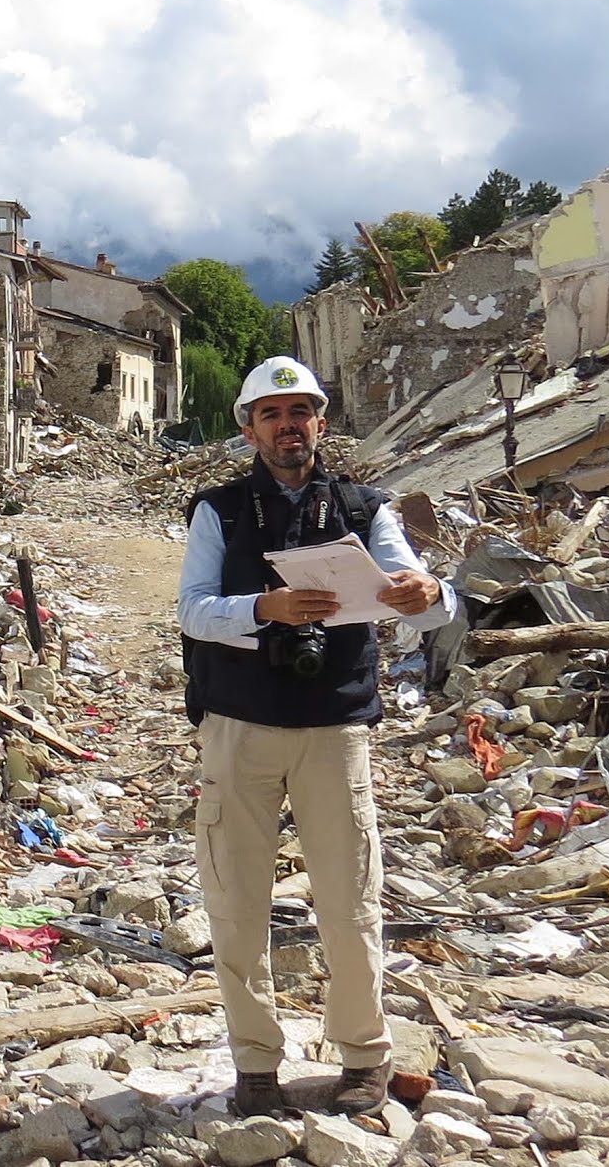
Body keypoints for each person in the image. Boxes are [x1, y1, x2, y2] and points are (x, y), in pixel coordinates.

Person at [176, 357, 457, 1119]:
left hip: (335, 730)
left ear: (320, 425)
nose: (287, 425)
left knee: (351, 897)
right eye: (271, 414)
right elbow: (193, 612)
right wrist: (266, 609)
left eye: (300, 411)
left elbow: (422, 596)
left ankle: (364, 1058)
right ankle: (255, 1066)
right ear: (248, 429)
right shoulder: (220, 511)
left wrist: (428, 591)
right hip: (237, 726)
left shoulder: (367, 508)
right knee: (236, 901)